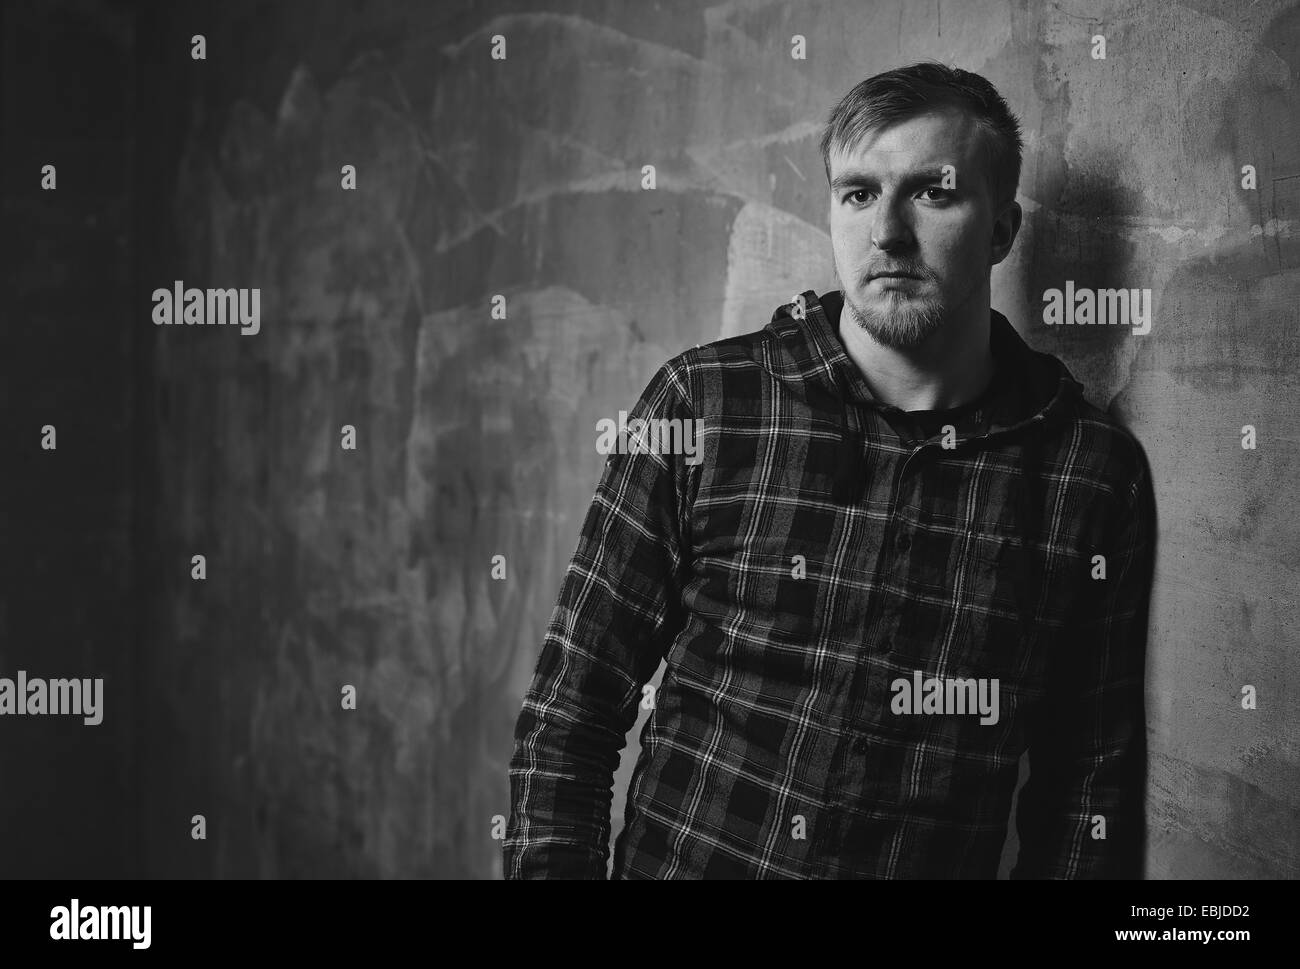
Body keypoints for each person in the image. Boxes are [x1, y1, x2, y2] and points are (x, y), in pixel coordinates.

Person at [504, 61, 1156, 879]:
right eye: (858, 193)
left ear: (1001, 232)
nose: (887, 232)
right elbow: (572, 709)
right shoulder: (705, 404)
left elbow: (1084, 790)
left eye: (933, 193)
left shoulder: (1089, 475)